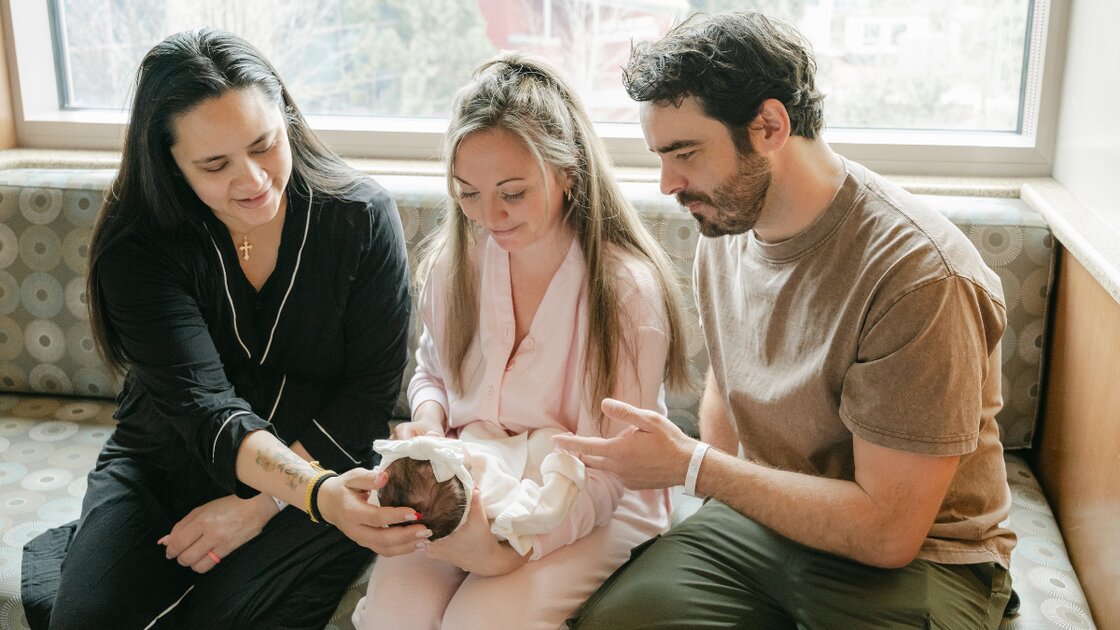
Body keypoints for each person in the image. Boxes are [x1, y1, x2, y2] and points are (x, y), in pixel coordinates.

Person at [556, 11, 1016, 629]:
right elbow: (731, 380)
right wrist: (712, 482)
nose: (668, 183)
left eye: (685, 153)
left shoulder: (918, 277)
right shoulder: (725, 225)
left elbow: (888, 532)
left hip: (923, 561)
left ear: (770, 125)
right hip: (763, 524)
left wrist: (693, 466)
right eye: (661, 156)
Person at [20, 28, 423, 629]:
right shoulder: (139, 248)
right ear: (171, 165)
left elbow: (367, 395)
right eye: (215, 165)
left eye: (265, 144)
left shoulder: (359, 217)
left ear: (286, 116)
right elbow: (206, 408)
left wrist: (262, 505)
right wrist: (306, 494)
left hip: (317, 459)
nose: (253, 180)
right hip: (166, 457)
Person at [351, 52, 689, 630]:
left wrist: (507, 550)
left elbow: (611, 467)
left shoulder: (625, 293)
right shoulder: (453, 266)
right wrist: (428, 425)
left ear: (567, 172)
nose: (490, 216)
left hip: (594, 493)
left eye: (512, 192)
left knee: (480, 623)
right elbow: (430, 371)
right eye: (468, 194)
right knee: (393, 618)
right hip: (476, 475)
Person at [372, 425, 587, 550]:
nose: (433, 437)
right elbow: (549, 512)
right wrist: (564, 465)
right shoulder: (497, 502)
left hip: (488, 440)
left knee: (475, 429)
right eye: (441, 448)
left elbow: (375, 492)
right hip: (518, 467)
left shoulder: (394, 495)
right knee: (548, 440)